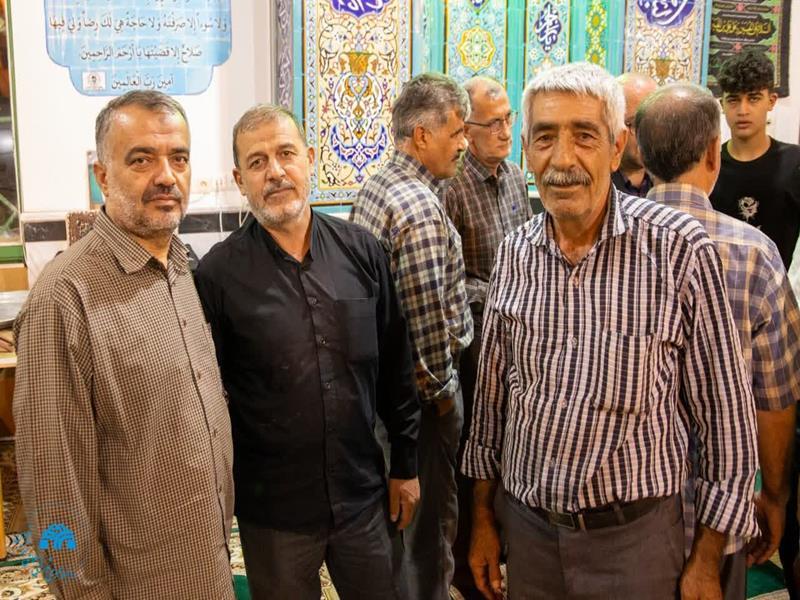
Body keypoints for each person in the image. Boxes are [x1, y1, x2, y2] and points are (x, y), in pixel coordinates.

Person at [463, 62, 759, 600]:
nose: (562, 159)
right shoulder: (514, 254)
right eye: (545, 138)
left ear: (617, 147)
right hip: (529, 540)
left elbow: (725, 418)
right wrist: (483, 518)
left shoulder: (677, 249)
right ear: (526, 149)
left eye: (584, 136)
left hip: (637, 546)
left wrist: (707, 558)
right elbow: (491, 405)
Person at [12, 90, 235, 599]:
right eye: (141, 159)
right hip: (137, 583)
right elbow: (52, 482)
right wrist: (80, 592)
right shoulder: (65, 299)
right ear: (103, 176)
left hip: (208, 562)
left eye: (179, 158)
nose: (166, 176)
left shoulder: (180, 266)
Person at [194, 104, 421, 600]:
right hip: (274, 514)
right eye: (257, 162)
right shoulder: (217, 276)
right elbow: (209, 399)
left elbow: (395, 364)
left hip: (363, 498)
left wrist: (405, 464)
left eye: (286, 154)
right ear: (240, 179)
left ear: (310, 159)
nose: (275, 172)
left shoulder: (363, 251)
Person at [638, 81, 800, 600]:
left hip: (626, 521)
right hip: (720, 514)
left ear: (641, 154)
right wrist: (774, 496)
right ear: (714, 153)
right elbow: (774, 398)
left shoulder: (609, 247)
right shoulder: (755, 253)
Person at [350, 72, 473, 600]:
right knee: (428, 534)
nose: (464, 143)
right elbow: (426, 328)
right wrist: (443, 401)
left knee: (401, 527)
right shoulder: (419, 209)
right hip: (419, 411)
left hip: (383, 399)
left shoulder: (378, 184)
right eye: (457, 131)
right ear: (422, 135)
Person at [443, 75, 532, 599]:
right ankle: (467, 563)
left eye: (508, 120)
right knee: (475, 451)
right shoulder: (451, 187)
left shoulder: (517, 178)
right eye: (492, 123)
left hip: (519, 339)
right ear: (466, 130)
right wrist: (500, 293)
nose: (504, 131)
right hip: (475, 348)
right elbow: (452, 280)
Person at [710, 50, 800, 269]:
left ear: (771, 101)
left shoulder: (794, 163)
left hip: (779, 287)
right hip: (718, 287)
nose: (743, 110)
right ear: (722, 104)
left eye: (753, 98)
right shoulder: (708, 165)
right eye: (734, 100)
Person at [611, 72, 657, 197]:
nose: (649, 133)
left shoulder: (666, 182)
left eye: (655, 122)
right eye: (637, 123)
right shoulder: (597, 186)